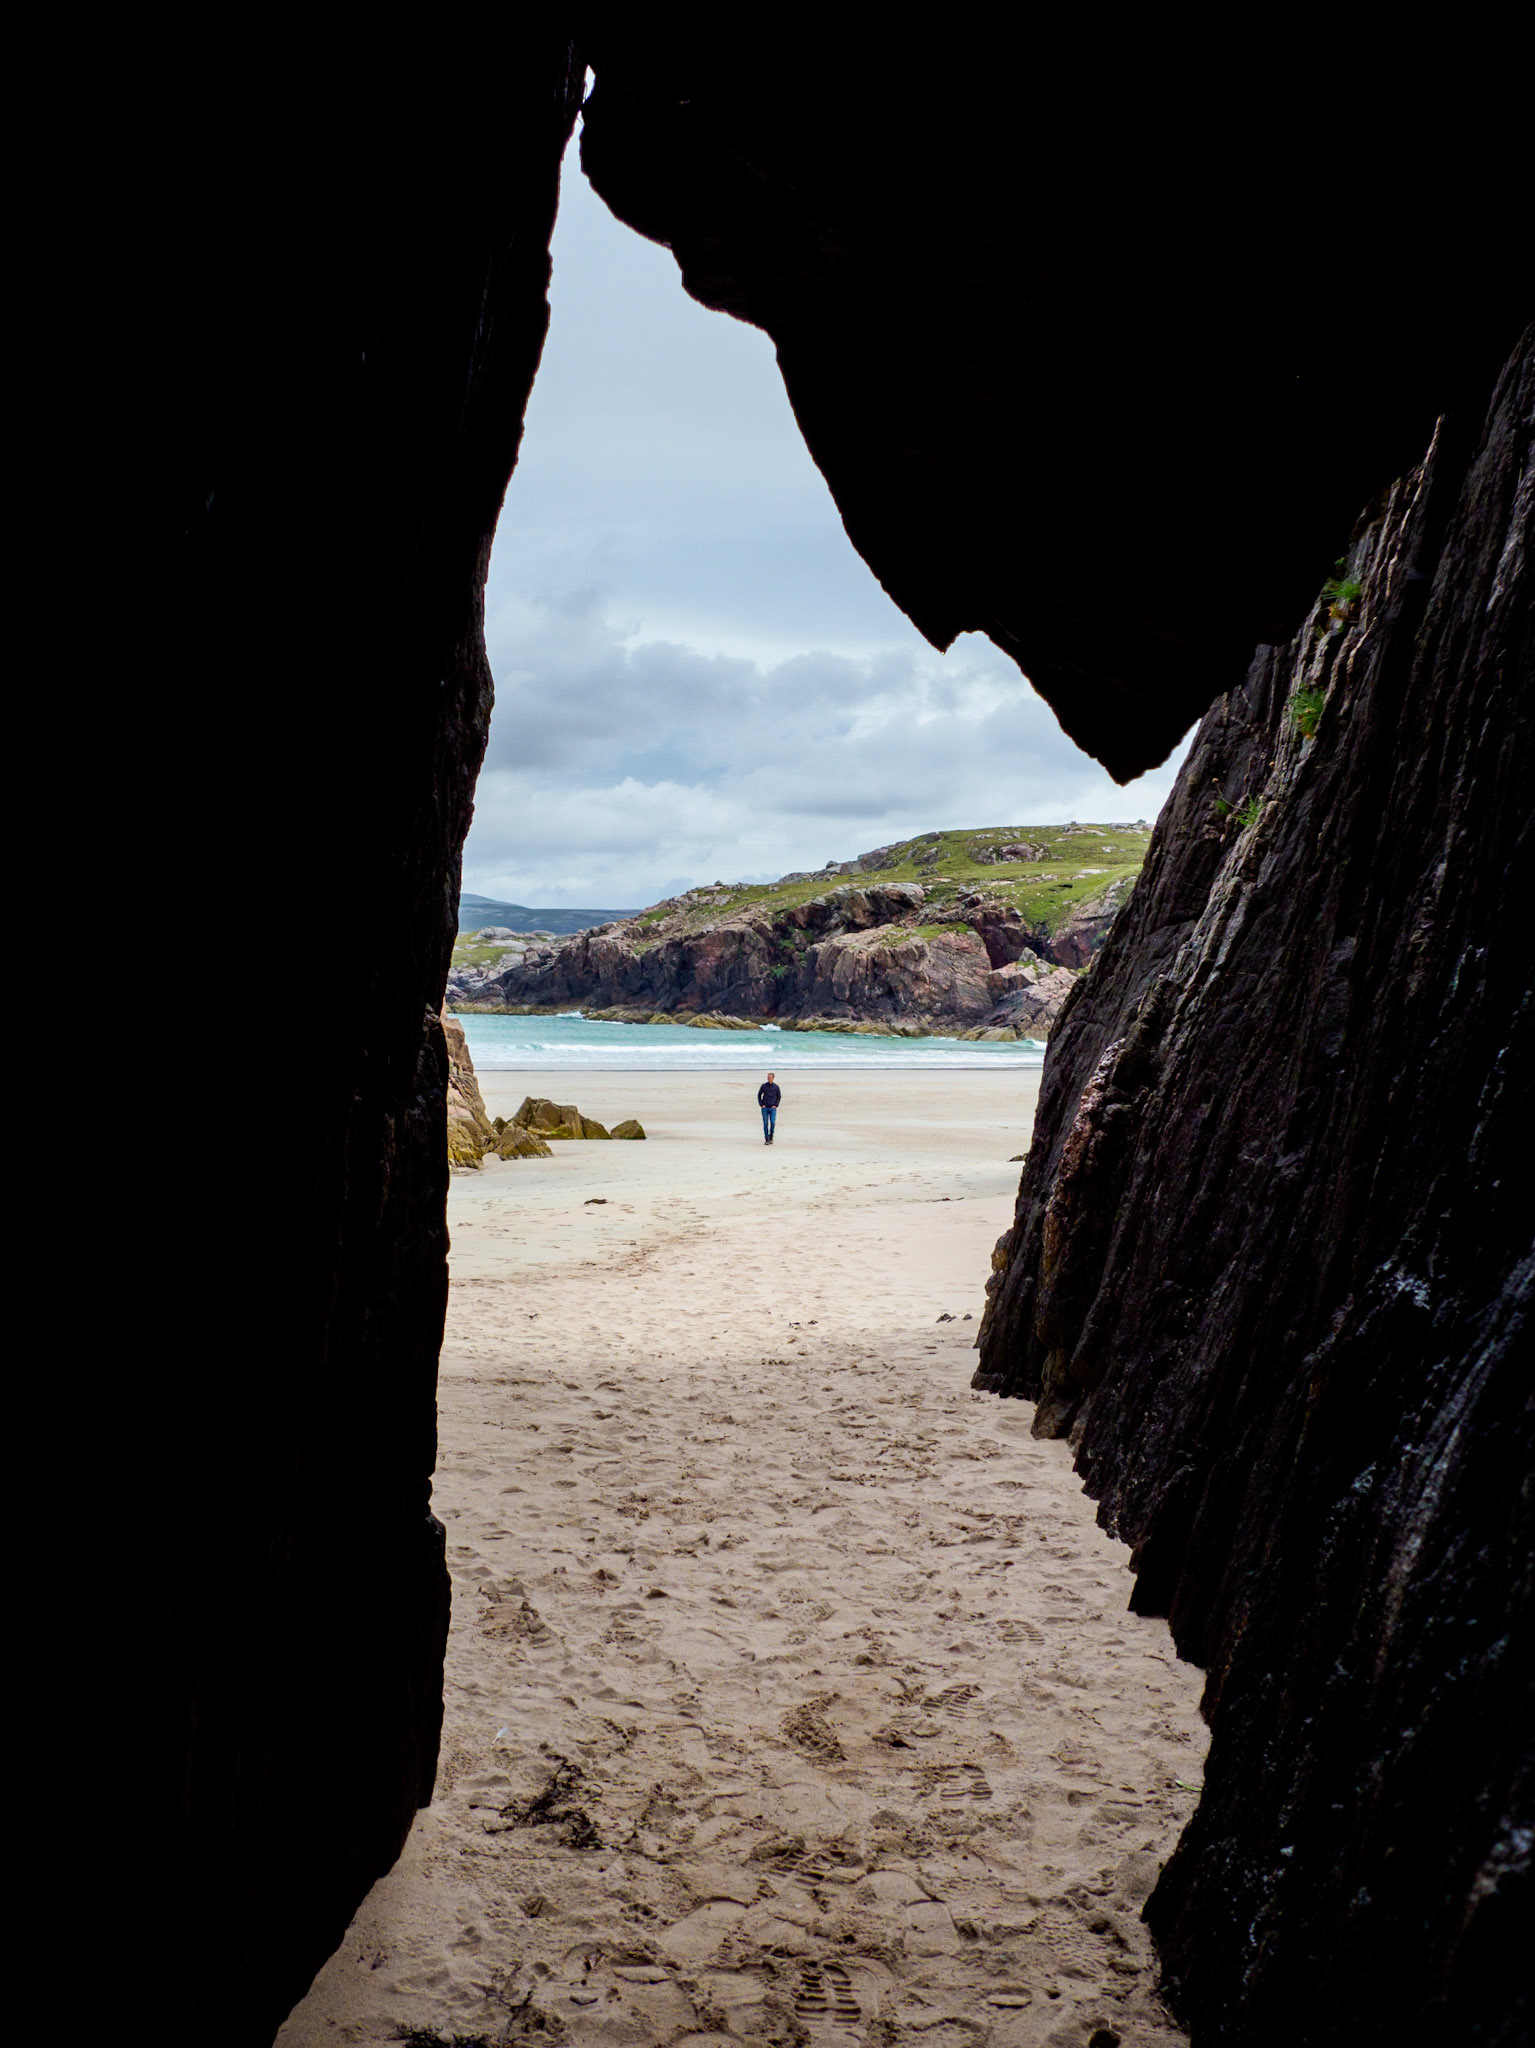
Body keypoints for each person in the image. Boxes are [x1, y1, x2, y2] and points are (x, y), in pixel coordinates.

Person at [757, 1072, 781, 1144]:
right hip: (765, 1108)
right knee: (765, 1123)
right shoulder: (763, 1086)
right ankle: (767, 1139)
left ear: (773, 1078)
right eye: (768, 1077)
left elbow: (779, 1097)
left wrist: (776, 1105)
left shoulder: (776, 1087)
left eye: (770, 1077)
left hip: (773, 1108)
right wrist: (761, 1104)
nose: (768, 1078)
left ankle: (771, 1136)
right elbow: (759, 1095)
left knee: (773, 1123)